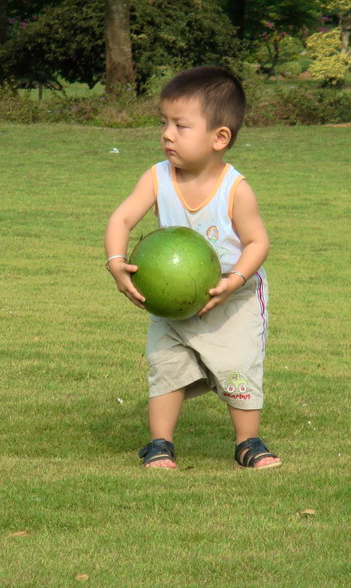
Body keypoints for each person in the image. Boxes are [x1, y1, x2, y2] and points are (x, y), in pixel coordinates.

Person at [104, 66, 281, 470]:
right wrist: (116, 263)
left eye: (180, 125)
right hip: (173, 299)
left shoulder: (236, 189)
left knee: (238, 365)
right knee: (166, 363)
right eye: (164, 122)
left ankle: (247, 442)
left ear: (220, 138)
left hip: (231, 299)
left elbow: (258, 242)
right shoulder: (156, 177)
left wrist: (233, 279)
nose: (166, 133)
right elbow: (121, 220)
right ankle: (159, 443)